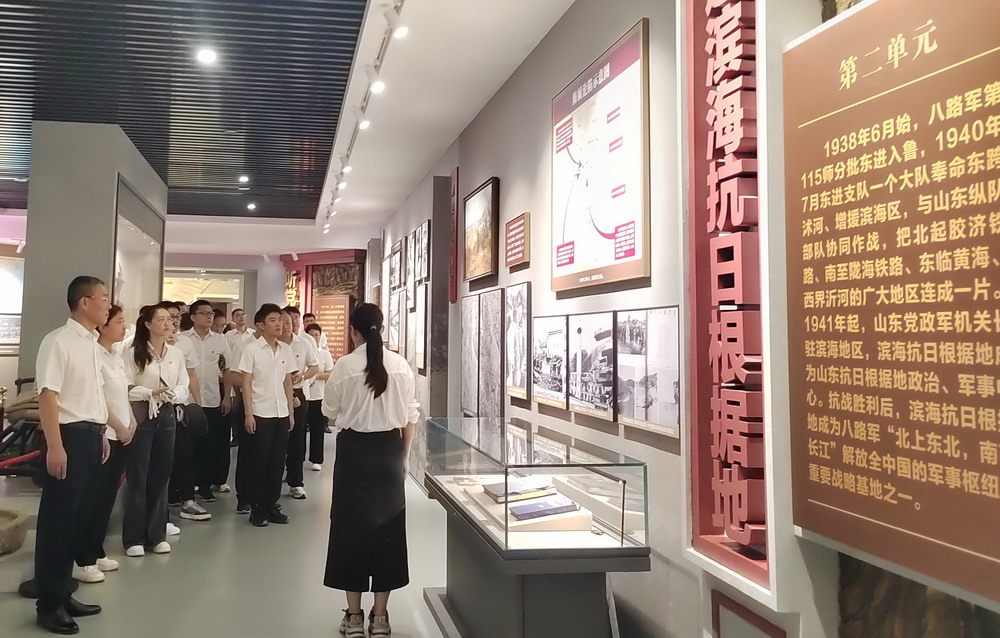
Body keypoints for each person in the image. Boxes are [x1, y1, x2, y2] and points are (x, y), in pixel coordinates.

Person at [323, 303, 418, 638]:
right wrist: (404, 456)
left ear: (353, 332)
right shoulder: (401, 365)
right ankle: (380, 617)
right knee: (388, 531)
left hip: (354, 453)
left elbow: (329, 411)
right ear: (382, 328)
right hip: (389, 451)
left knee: (349, 530)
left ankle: (353, 616)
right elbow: (410, 416)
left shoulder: (345, 366)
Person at [33, 276, 112, 634]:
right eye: (103, 298)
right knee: (58, 523)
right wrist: (55, 445)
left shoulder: (93, 344)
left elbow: (91, 396)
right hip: (68, 437)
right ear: (84, 302)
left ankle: (63, 592)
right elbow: (48, 395)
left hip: (91, 436)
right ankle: (48, 604)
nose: (108, 304)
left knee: (78, 520)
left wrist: (102, 433)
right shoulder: (59, 341)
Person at [73, 304, 136, 585]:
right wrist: (119, 426)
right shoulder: (95, 356)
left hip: (122, 434)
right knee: (94, 499)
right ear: (103, 326)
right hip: (105, 434)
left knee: (108, 499)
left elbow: (122, 394)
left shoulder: (116, 357)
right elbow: (99, 398)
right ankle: (82, 559)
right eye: (119, 321)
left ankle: (96, 550)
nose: (125, 327)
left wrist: (131, 421)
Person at [122, 303, 190, 557]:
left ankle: (156, 534)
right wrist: (149, 392)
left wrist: (175, 394)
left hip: (167, 413)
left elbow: (183, 383)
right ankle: (134, 538)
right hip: (141, 413)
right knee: (138, 475)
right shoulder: (133, 352)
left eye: (169, 320)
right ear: (148, 324)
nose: (168, 324)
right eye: (161, 319)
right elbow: (125, 385)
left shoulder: (176, 353)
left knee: (161, 474)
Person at [237, 304, 296, 527]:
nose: (279, 324)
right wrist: (248, 414)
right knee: (258, 462)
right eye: (273, 320)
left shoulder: (285, 350)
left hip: (281, 413)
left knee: (277, 463)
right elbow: (246, 383)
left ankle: (272, 505)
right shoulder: (251, 349)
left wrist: (290, 412)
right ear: (261, 325)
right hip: (260, 412)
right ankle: (257, 508)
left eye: (280, 319)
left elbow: (287, 383)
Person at [164, 303, 211, 522]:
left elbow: (191, 375)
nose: (173, 321)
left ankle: (188, 500)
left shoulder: (183, 343)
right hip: (155, 409)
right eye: (168, 317)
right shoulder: (144, 344)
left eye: (176, 317)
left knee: (184, 454)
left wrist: (198, 403)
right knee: (160, 459)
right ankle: (163, 502)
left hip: (180, 407)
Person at [185, 300, 235, 500]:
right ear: (193, 317)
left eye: (211, 314)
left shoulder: (221, 340)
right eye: (204, 313)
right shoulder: (183, 339)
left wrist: (227, 396)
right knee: (188, 447)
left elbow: (228, 369)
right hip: (188, 401)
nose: (209, 317)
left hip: (213, 398)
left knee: (209, 445)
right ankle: (186, 487)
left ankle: (205, 486)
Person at [281, 306, 318, 499]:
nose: (286, 325)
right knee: (277, 440)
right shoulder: (271, 344)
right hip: (276, 395)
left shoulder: (304, 343)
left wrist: (302, 376)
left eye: (289, 321)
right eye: (282, 322)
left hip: (298, 393)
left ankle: (296, 482)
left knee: (297, 439)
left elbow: (315, 367)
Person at [305, 323, 334, 472]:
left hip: (317, 396)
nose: (314, 338)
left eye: (316, 335)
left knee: (317, 429)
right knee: (299, 430)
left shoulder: (324, 354)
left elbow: (329, 373)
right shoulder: (301, 350)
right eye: (311, 335)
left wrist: (314, 376)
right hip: (303, 396)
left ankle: (316, 460)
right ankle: (297, 458)